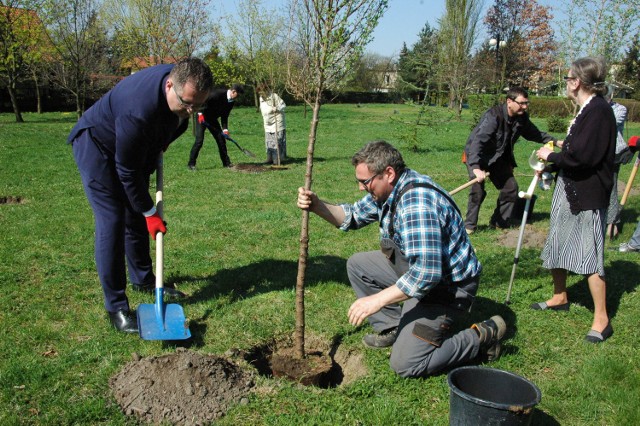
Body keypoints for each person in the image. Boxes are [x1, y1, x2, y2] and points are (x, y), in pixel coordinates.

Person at [296, 140, 506, 378]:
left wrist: (377, 300)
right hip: (419, 273)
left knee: (406, 364)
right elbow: (352, 216)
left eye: (365, 182)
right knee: (358, 265)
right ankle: (395, 326)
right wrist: (317, 206)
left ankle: (480, 337)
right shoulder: (389, 191)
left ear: (389, 173)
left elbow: (426, 274)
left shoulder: (415, 204)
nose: (361, 188)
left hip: (446, 290)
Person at [68, 58, 214, 333]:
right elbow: (127, 172)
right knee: (113, 219)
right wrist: (150, 214)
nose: (192, 110)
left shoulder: (181, 89)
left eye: (198, 105)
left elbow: (173, 124)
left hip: (133, 147)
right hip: (97, 146)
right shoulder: (138, 109)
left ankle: (144, 280)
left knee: (134, 211)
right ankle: (117, 307)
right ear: (170, 85)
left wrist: (163, 140)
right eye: (187, 103)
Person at [532, 56, 616, 344]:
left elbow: (584, 157)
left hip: (588, 193)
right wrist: (561, 146)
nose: (566, 82)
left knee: (590, 254)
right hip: (568, 188)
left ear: (577, 81)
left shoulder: (599, 112)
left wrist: (551, 156)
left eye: (568, 78)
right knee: (557, 241)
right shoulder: (586, 110)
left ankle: (602, 319)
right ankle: (560, 296)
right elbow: (578, 147)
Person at [463, 87, 558, 234]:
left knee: (510, 188)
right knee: (477, 190)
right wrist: (475, 167)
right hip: (478, 156)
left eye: (527, 103)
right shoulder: (493, 116)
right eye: (521, 103)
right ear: (509, 101)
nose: (525, 107)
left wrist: (556, 141)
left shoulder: (521, 117)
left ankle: (499, 222)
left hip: (499, 159)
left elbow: (534, 133)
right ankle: (469, 226)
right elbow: (478, 141)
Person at [188, 83, 244, 169]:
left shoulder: (231, 102)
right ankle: (191, 164)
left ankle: (226, 163)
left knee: (221, 139)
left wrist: (225, 130)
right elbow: (202, 101)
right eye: (238, 95)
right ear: (233, 91)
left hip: (212, 119)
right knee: (199, 141)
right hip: (201, 117)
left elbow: (224, 116)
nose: (238, 98)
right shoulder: (217, 94)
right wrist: (200, 114)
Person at [604, 85, 630, 238]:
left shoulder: (620, 109)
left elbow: (609, 124)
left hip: (613, 154)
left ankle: (612, 224)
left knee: (610, 188)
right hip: (595, 152)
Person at [257, 84, 287, 165]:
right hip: (267, 124)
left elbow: (283, 105)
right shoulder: (261, 98)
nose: (261, 95)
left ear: (266, 91)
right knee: (269, 142)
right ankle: (269, 158)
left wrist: (277, 108)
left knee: (277, 141)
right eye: (259, 93)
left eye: (262, 93)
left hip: (277, 122)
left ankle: (278, 159)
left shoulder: (274, 96)